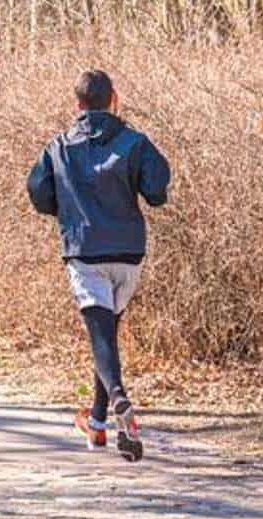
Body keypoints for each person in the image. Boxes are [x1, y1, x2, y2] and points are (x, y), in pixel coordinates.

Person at [25, 69, 171, 458]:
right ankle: (98, 424)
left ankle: (120, 398)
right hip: (128, 254)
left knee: (102, 339)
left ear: (77, 105)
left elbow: (38, 195)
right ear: (114, 99)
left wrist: (68, 211)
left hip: (85, 251)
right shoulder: (135, 143)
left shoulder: (58, 147)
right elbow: (157, 192)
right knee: (105, 339)